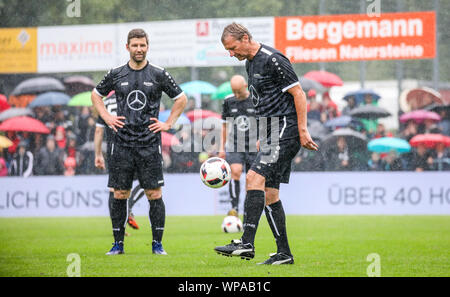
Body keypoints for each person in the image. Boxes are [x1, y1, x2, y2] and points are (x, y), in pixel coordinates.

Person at [215, 23, 318, 265]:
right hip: (272, 132)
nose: (231, 54)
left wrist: (302, 130)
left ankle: (246, 243)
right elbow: (264, 102)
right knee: (270, 194)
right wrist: (263, 134)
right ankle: (284, 254)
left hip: (286, 130)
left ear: (245, 38)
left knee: (253, 178)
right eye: (228, 50)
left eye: (232, 48)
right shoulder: (250, 63)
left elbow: (298, 94)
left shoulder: (274, 59)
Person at [91, 28, 187, 256]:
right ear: (127, 47)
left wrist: (168, 123)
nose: (139, 49)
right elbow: (96, 95)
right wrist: (106, 117)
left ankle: (157, 245)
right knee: (120, 194)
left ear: (147, 46)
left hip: (149, 144)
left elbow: (181, 99)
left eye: (142, 45)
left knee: (154, 194)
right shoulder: (116, 73)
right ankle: (117, 244)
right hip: (121, 144)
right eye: (135, 45)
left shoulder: (158, 73)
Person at [94, 93, 144, 232]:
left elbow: (99, 131)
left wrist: (98, 154)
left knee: (115, 190)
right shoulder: (130, 97)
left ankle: (117, 228)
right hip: (135, 147)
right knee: (147, 181)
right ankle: (129, 206)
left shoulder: (103, 104)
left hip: (114, 151)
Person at [218, 75, 257, 216]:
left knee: (251, 180)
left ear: (245, 86)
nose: (236, 94)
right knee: (235, 171)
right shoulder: (229, 101)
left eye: (239, 91)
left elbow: (265, 122)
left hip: (254, 145)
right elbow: (224, 126)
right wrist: (222, 147)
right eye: (234, 91)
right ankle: (234, 208)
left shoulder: (255, 99)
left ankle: (248, 211)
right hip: (235, 144)